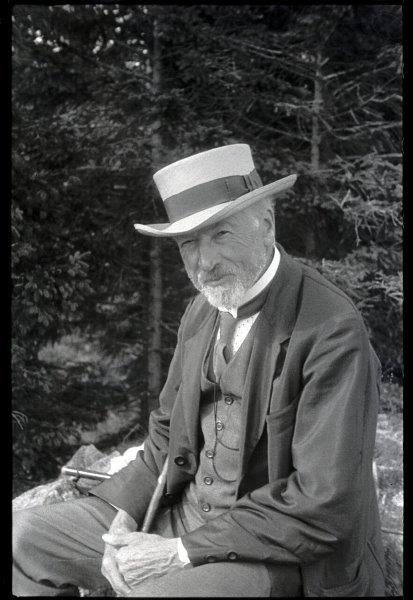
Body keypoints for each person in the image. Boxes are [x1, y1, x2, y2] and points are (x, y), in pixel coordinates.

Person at [13, 143, 386, 597]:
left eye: (221, 234)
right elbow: (166, 434)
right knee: (23, 539)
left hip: (275, 554)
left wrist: (176, 553)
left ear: (266, 224)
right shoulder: (201, 311)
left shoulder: (331, 329)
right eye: (188, 243)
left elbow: (323, 503)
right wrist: (123, 521)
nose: (204, 263)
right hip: (177, 519)